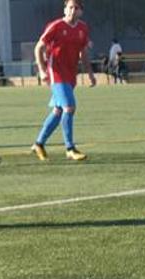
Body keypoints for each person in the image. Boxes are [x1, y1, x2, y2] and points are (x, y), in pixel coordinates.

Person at [30, 0, 96, 162]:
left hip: (71, 74)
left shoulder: (82, 28)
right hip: (56, 71)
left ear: (81, 11)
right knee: (69, 107)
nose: (73, 10)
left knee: (58, 111)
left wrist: (90, 73)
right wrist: (42, 70)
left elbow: (84, 53)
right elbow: (38, 47)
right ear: (65, 9)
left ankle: (39, 144)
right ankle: (70, 148)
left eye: (76, 8)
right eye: (70, 7)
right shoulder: (56, 26)